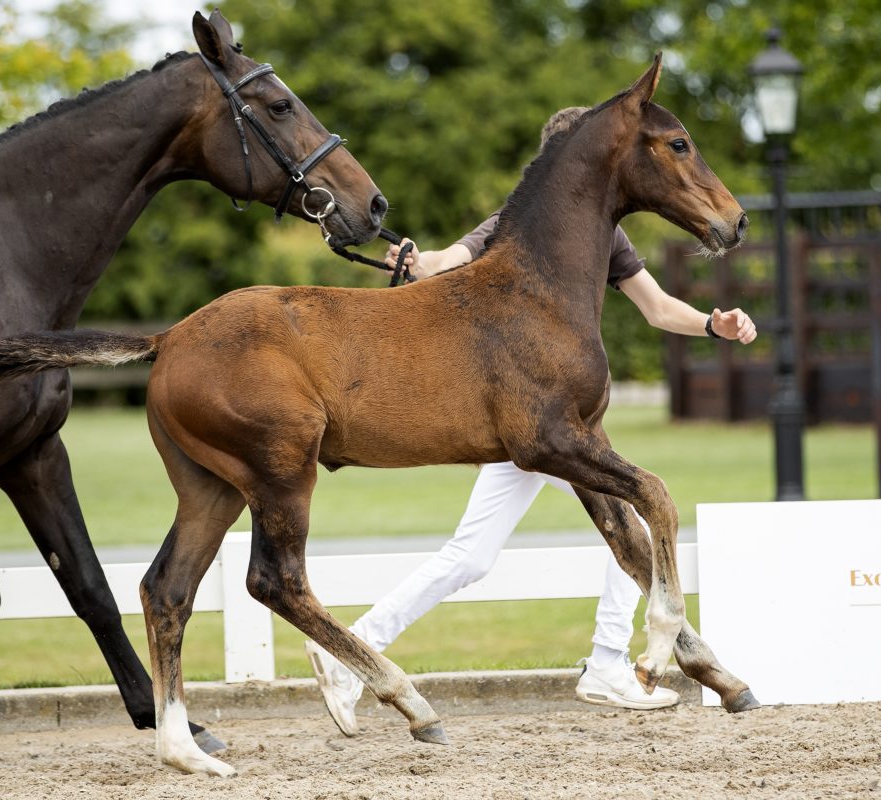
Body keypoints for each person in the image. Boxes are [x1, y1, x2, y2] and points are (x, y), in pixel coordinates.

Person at [305, 107, 757, 737]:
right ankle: (357, 645)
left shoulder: (607, 235)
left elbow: (655, 308)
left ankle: (609, 662)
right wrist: (416, 259)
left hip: (554, 413)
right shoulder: (516, 226)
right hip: (523, 415)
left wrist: (712, 323)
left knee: (595, 530)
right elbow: (448, 260)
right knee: (483, 555)